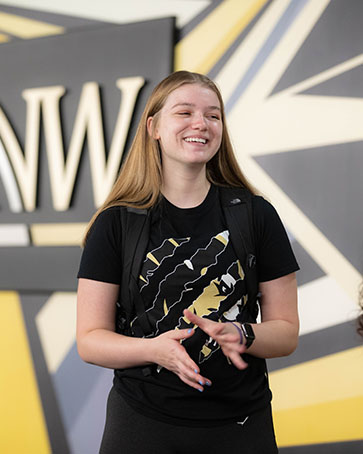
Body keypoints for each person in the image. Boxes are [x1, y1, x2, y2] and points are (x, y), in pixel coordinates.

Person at [77, 70, 299, 454]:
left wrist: (244, 333)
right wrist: (153, 349)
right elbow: (90, 341)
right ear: (154, 127)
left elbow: (286, 333)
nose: (202, 123)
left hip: (241, 426)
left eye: (213, 115)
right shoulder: (116, 223)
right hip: (142, 424)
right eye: (185, 112)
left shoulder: (256, 215)